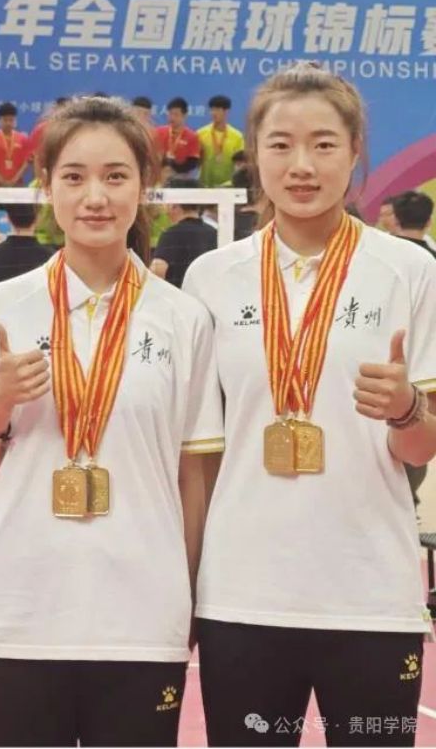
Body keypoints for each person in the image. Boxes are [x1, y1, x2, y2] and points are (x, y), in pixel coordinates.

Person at [0, 96, 224, 748]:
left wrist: (183, 597)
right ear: (47, 186)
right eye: (74, 176)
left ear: (145, 185)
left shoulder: (183, 319)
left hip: (142, 617)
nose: (95, 196)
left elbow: (194, 477)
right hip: (22, 612)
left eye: (115, 176)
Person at [184, 63, 436, 748]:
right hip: (242, 596)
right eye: (281, 144)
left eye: (324, 144)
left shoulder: (409, 271)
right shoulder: (211, 277)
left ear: (355, 154)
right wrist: (185, 587)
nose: (302, 165)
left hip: (370, 594)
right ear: (254, 155)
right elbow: (199, 460)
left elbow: (420, 447)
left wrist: (407, 407)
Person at [0, 203, 52, 510]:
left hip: (0, 351)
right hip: (42, 352)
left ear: (7, 218)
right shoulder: (50, 258)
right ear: (39, 216)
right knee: (37, 425)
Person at [391, 190, 436, 516]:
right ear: (429, 220)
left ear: (393, 218)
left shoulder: (387, 260)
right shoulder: (427, 260)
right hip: (419, 370)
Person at [150, 178, 217, 288]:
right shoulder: (214, 233)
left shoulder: (171, 235)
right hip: (206, 295)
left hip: (176, 295)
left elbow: (157, 271)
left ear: (173, 204)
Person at [197, 96, 245, 188]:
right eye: (212, 110)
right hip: (205, 186)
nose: (213, 113)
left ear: (226, 111)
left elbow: (240, 164)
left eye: (217, 110)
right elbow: (197, 161)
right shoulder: (201, 133)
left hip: (229, 187)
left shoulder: (237, 136)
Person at [0, 102, 30, 188]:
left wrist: (14, 181)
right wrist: (1, 181)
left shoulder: (23, 139)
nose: (8, 123)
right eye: (5, 120)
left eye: (11, 120)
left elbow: (26, 163)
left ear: (15, 120)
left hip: (17, 185)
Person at [155, 97, 200, 181]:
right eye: (170, 114)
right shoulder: (158, 132)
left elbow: (192, 163)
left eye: (176, 114)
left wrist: (173, 166)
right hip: (159, 177)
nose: (172, 118)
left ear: (185, 116)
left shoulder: (192, 136)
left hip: (181, 179)